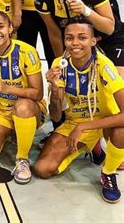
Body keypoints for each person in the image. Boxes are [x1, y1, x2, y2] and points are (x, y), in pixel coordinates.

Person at [34, 19, 124, 203]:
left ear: (93, 41)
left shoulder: (104, 66)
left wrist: (84, 127)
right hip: (75, 122)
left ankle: (108, 174)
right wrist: (55, 91)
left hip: (107, 120)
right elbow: (57, 115)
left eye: (82, 37)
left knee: (121, 134)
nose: (75, 43)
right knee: (43, 169)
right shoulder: (59, 65)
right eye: (69, 38)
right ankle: (94, 147)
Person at [0, 10, 46, 184]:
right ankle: (11, 131)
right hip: (1, 110)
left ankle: (22, 159)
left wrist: (7, 88)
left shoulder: (26, 52)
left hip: (29, 108)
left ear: (10, 28)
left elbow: (38, 93)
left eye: (0, 26)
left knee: (22, 107)